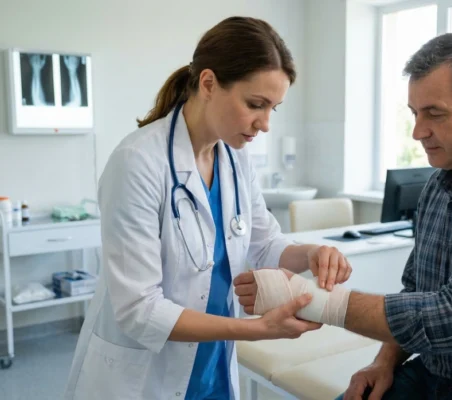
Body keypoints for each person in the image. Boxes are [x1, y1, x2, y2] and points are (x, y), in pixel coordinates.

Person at [234, 33, 452, 399]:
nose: (418, 132)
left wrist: (309, 298)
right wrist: (384, 361)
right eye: (414, 114)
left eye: (434, 113)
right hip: (432, 374)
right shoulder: (437, 188)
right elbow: (418, 291)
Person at [64, 16, 352, 400]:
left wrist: (314, 253)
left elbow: (265, 244)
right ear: (209, 83)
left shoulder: (235, 159)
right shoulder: (138, 162)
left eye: (273, 109)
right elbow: (139, 309)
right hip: (144, 377)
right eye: (255, 104)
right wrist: (256, 329)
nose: (265, 124)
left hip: (212, 365)